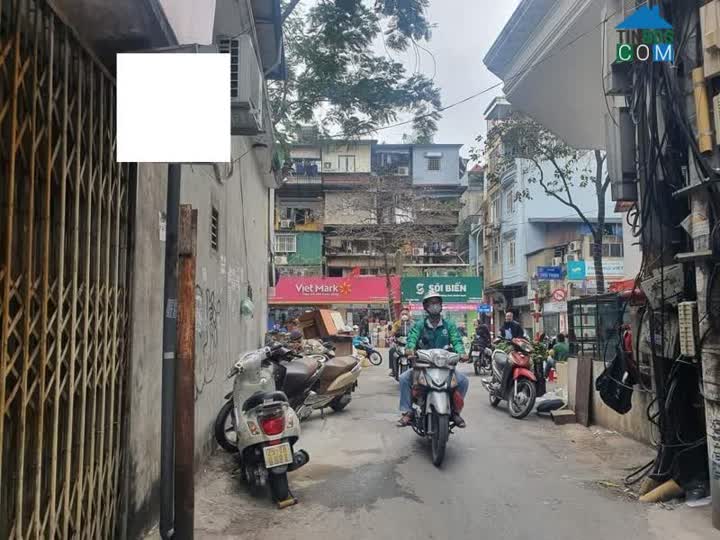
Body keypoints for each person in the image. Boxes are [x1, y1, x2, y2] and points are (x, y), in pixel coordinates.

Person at [397, 292, 470, 428]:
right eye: (431, 303)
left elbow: (456, 340)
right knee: (404, 379)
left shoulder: (449, 325)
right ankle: (408, 411)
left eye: (437, 303)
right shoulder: (420, 325)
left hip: (445, 365)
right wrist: (410, 349)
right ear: (426, 307)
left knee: (463, 381)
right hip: (423, 365)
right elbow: (412, 338)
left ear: (441, 306)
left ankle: (455, 411)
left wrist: (461, 353)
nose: (435, 306)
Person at [388, 309, 413, 377]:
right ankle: (393, 370)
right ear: (400, 315)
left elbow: (416, 332)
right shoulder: (397, 323)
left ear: (409, 315)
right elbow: (392, 333)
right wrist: (391, 337)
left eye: (406, 314)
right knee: (392, 351)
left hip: (410, 344)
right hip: (399, 344)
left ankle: (415, 370)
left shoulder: (413, 324)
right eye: (403, 314)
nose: (404, 316)